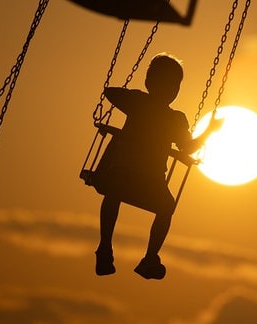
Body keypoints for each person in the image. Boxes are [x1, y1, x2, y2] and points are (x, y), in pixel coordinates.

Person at [92, 53, 223, 280]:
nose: (171, 89)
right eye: (169, 83)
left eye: (175, 85)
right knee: (160, 205)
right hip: (141, 176)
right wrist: (209, 131)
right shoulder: (168, 115)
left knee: (133, 197)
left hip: (137, 176)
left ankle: (122, 252)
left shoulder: (143, 105)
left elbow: (110, 92)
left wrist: (135, 97)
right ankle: (136, 255)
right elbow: (188, 147)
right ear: (151, 82)